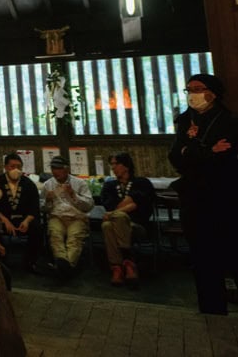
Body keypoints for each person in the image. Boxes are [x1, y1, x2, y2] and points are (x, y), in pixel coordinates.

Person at [168, 73, 238, 314]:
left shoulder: (227, 120)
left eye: (198, 88)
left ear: (213, 92)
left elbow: (225, 157)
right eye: (189, 89)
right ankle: (211, 310)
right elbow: (175, 156)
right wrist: (207, 152)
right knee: (202, 257)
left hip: (224, 196)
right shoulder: (186, 120)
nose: (192, 94)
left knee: (231, 252)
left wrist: (193, 152)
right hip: (193, 198)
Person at [100, 152, 155, 286]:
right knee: (107, 225)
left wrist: (115, 212)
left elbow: (141, 205)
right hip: (114, 225)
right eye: (111, 164)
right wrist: (129, 204)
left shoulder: (142, 183)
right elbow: (110, 205)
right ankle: (124, 263)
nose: (113, 167)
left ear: (126, 166)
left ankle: (119, 265)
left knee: (115, 218)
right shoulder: (109, 186)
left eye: (116, 164)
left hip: (137, 225)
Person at [42, 155, 94, 277]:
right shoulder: (47, 185)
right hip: (57, 217)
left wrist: (73, 195)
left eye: (59, 169)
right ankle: (64, 265)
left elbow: (89, 205)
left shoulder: (79, 183)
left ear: (66, 169)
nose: (55, 172)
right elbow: (43, 209)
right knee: (55, 235)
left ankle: (64, 266)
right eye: (53, 169)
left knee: (74, 238)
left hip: (77, 217)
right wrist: (48, 201)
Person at [0, 152, 42, 273]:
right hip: (4, 219)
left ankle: (31, 261)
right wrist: (4, 220)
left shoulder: (28, 184)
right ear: (5, 167)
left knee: (36, 227)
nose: (16, 169)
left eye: (19, 166)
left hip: (24, 220)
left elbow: (34, 206)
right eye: (12, 166)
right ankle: (1, 261)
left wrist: (27, 221)